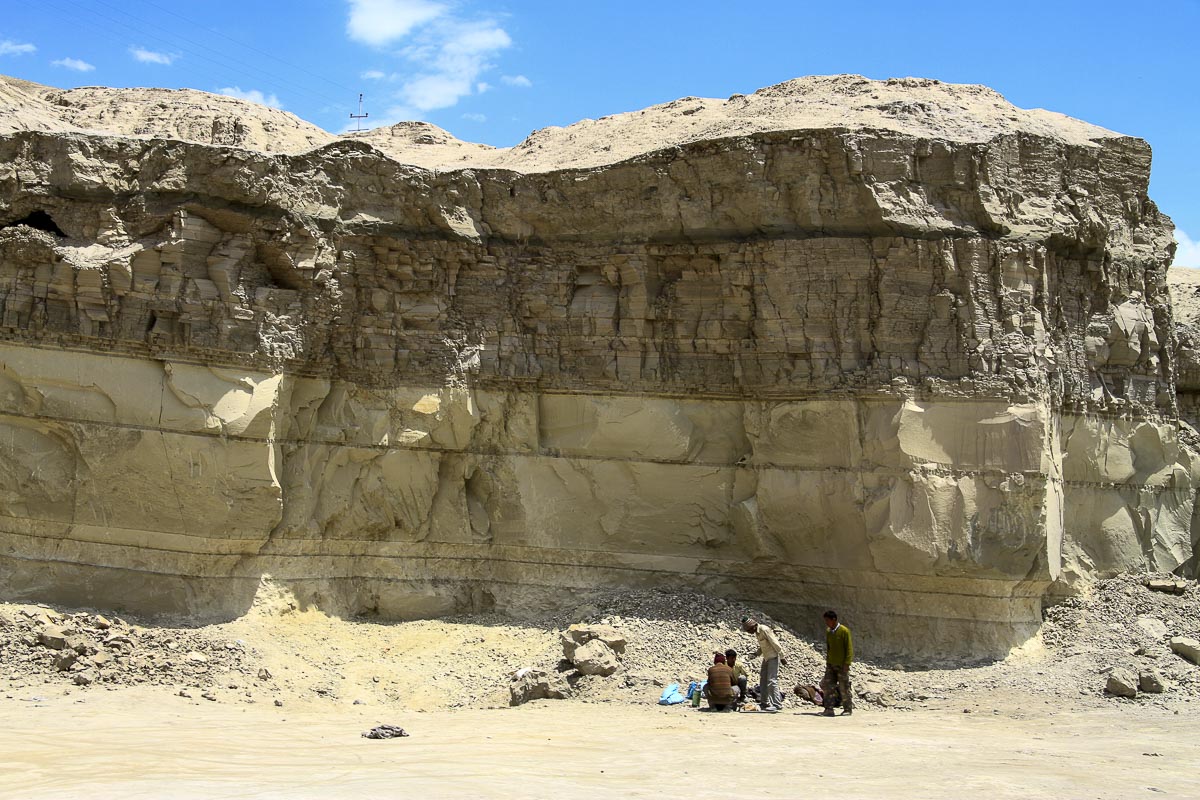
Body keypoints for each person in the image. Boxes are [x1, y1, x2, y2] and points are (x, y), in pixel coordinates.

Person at [741, 617, 785, 712]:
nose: (749, 632)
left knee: (772, 681)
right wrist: (756, 654)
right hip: (766, 658)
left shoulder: (764, 630)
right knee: (763, 680)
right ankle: (764, 702)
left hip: (773, 657)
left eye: (748, 630)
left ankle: (777, 704)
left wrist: (782, 656)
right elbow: (763, 646)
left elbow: (775, 643)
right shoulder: (757, 633)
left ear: (753, 627)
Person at [820, 610, 854, 717]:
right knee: (828, 686)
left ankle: (847, 709)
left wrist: (847, 663)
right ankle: (829, 709)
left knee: (844, 687)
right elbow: (829, 647)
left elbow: (849, 648)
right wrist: (828, 662)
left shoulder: (844, 631)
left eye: (827, 620)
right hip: (831, 664)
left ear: (834, 619)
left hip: (842, 664)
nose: (826, 622)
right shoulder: (829, 631)